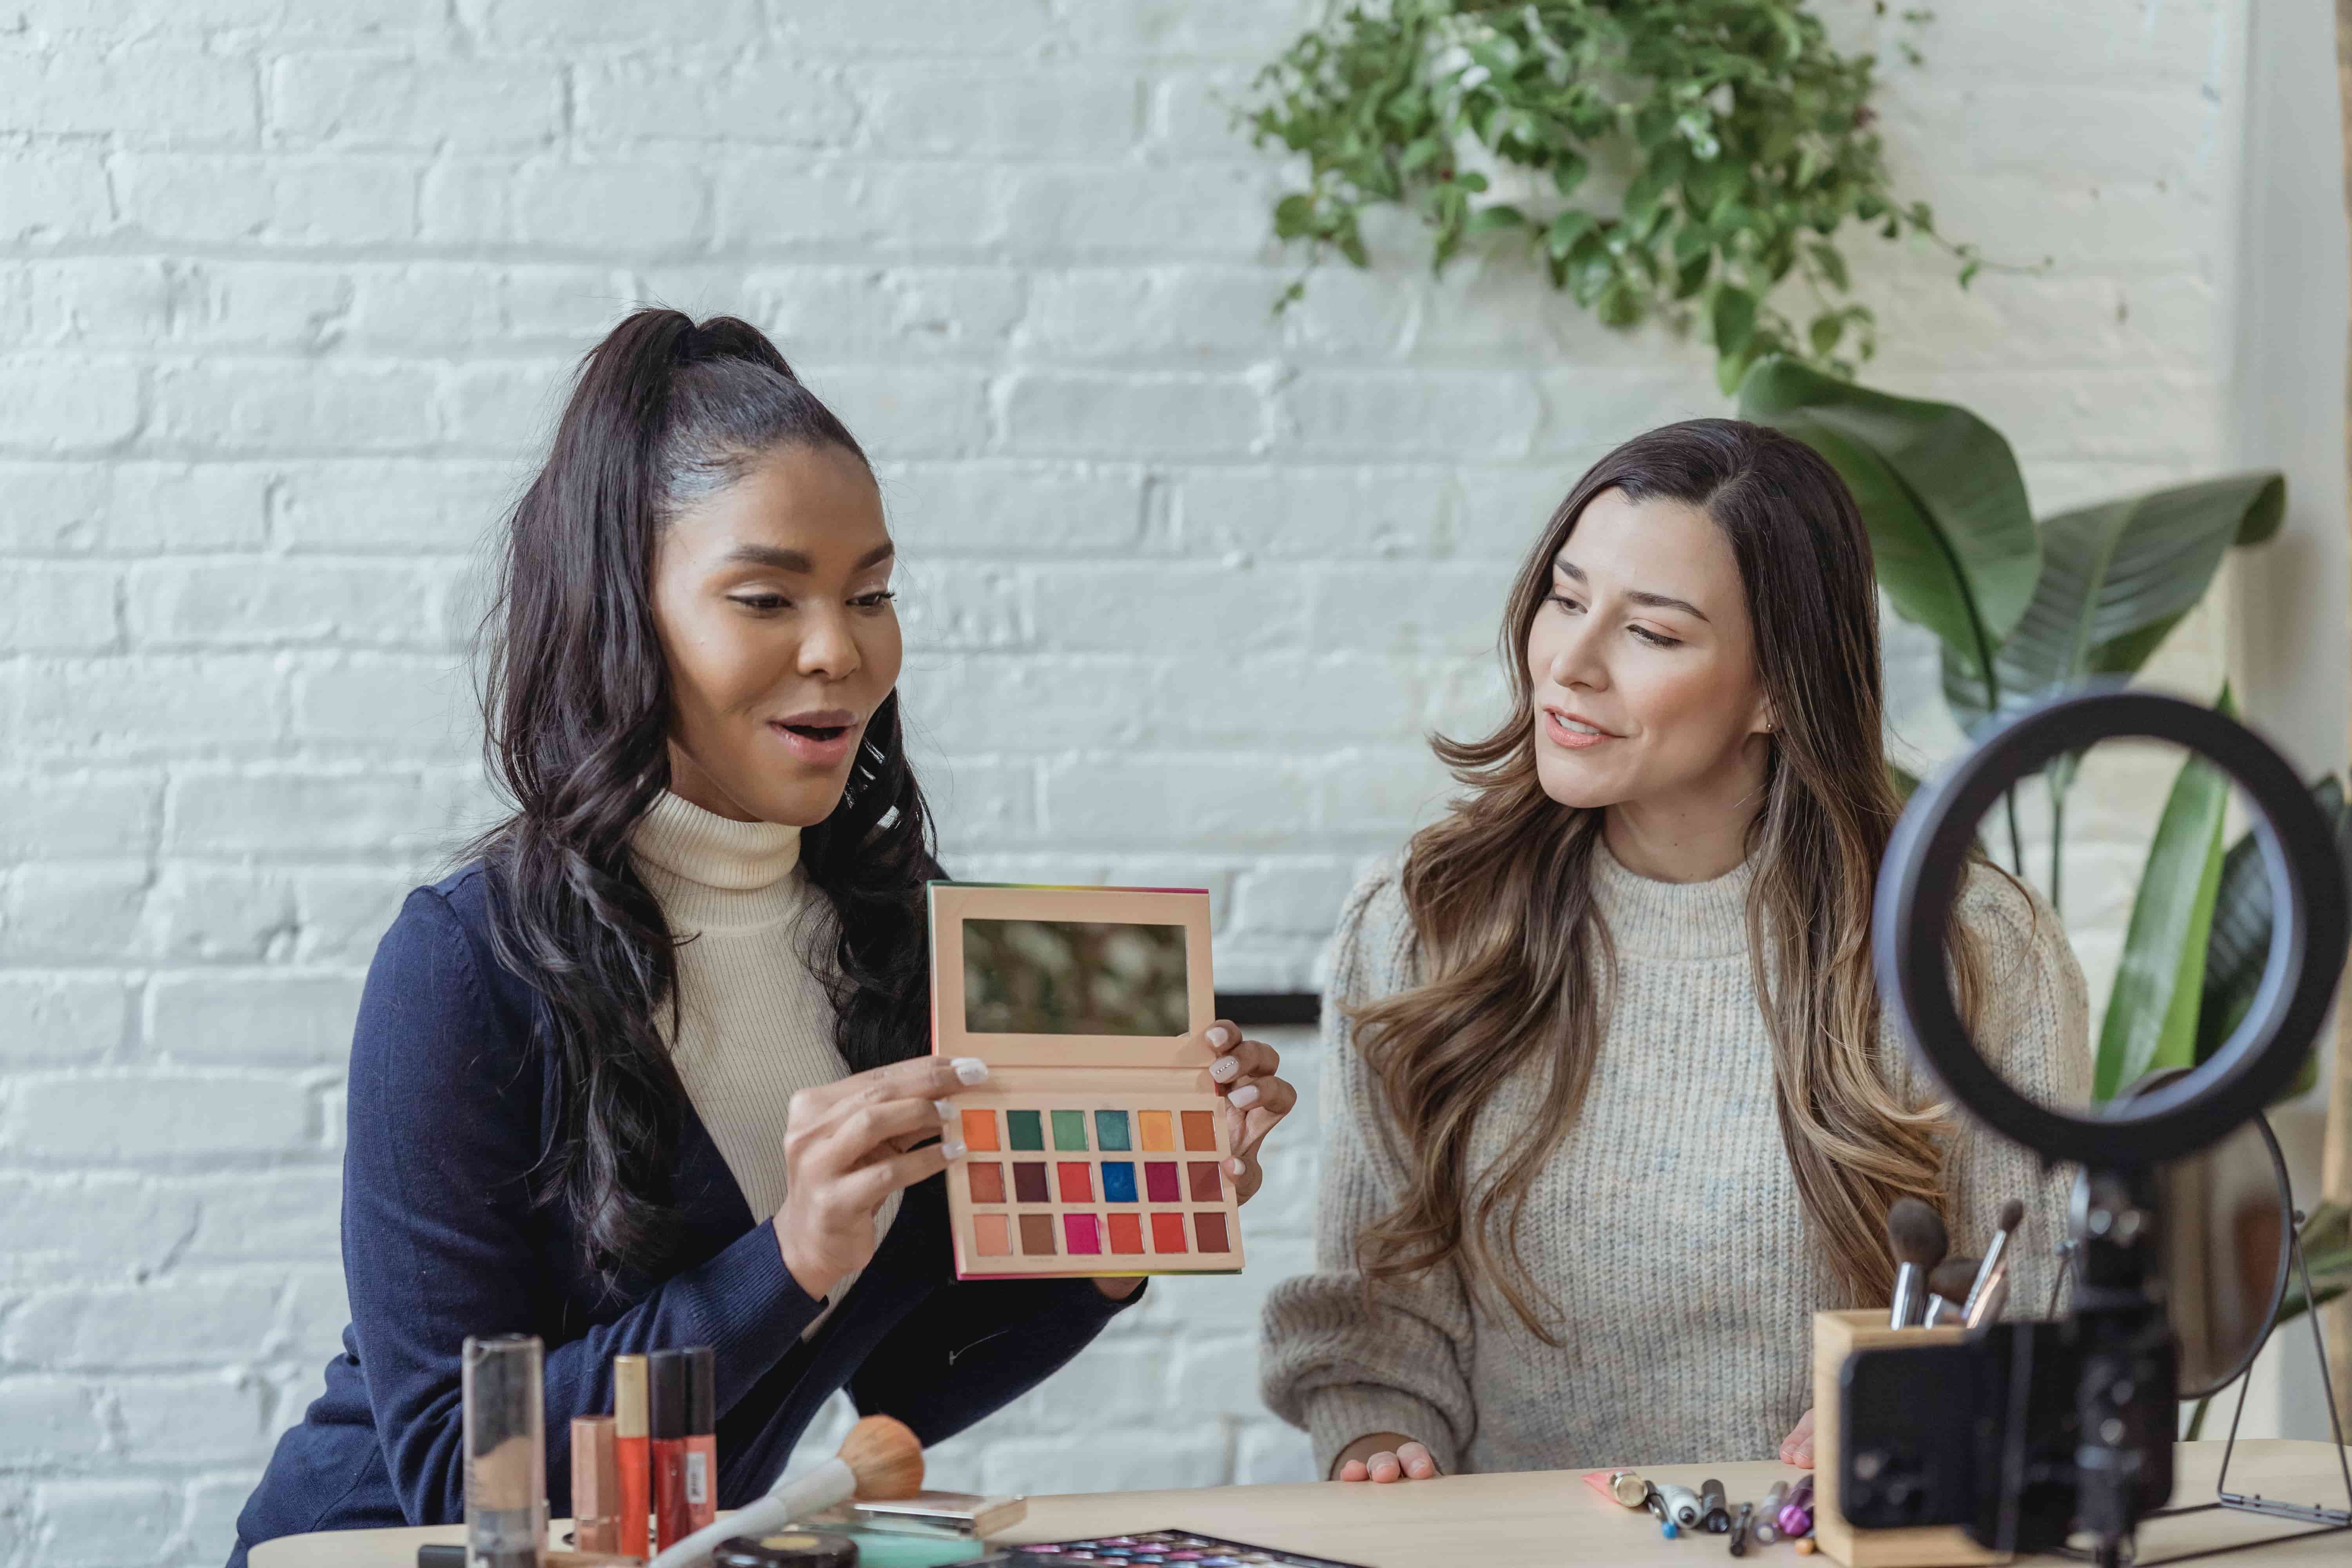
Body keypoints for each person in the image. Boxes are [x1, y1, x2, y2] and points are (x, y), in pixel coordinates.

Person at [230, 310, 1296, 1562]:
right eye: (764, 597)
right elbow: (453, 1465)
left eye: (872, 594)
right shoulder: (468, 964)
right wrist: (788, 1256)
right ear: (627, 612)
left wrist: (1129, 1224)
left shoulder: (899, 935)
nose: (840, 649)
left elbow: (915, 1383)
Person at [1258, 419, 2086, 1484]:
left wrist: (1919, 1407)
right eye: (1565, 598)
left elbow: (2029, 1305)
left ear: (1777, 688)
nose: (1571, 662)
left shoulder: (1967, 945)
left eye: (1650, 633)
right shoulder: (1424, 921)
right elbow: (1385, 1311)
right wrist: (1378, 1439)